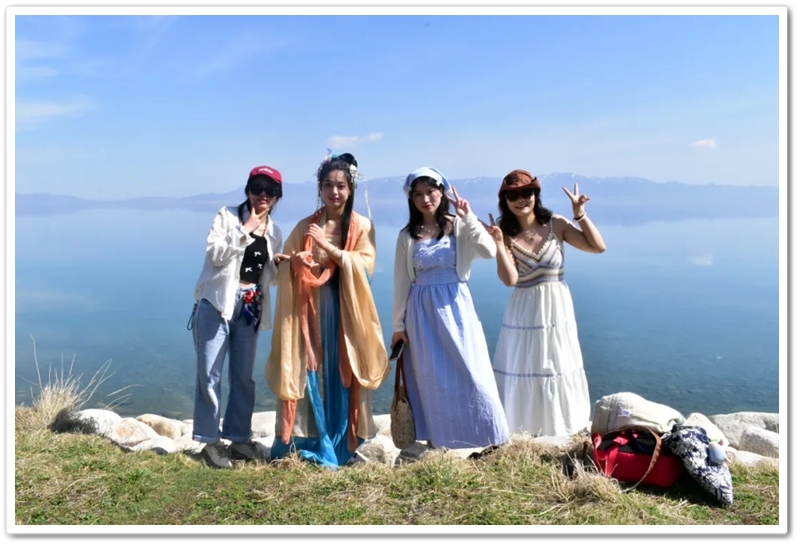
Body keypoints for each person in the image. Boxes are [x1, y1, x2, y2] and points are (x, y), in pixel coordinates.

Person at [266, 152, 390, 468]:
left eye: (341, 186)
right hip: (309, 314)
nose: (334, 192)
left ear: (350, 189)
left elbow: (365, 267)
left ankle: (343, 444)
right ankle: (306, 439)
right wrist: (293, 262)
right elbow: (283, 259)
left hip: (345, 312)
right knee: (311, 371)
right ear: (320, 188)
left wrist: (329, 247)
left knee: (342, 372)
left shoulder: (362, 226)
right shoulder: (306, 226)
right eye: (328, 185)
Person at [391, 167, 509, 450]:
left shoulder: (458, 225)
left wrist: (468, 216)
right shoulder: (407, 235)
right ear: (411, 199)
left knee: (472, 372)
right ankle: (438, 441)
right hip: (421, 312)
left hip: (456, 307)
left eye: (430, 192)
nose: (425, 199)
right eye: (418, 194)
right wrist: (398, 326)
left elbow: (488, 251)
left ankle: (489, 436)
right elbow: (401, 281)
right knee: (431, 378)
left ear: (442, 192)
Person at [485, 169, 607, 437]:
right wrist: (498, 244)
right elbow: (510, 279)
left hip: (556, 308)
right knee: (524, 364)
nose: (521, 199)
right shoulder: (504, 233)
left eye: (526, 193)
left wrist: (580, 215)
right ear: (504, 201)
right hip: (524, 310)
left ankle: (560, 427)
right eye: (513, 195)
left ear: (535, 195)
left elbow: (598, 247)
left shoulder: (556, 224)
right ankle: (520, 429)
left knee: (557, 363)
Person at [191, 165, 284, 469]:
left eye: (270, 190)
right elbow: (215, 255)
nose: (263, 195)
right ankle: (209, 441)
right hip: (216, 304)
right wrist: (245, 229)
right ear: (248, 189)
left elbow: (269, 278)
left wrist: (281, 264)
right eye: (257, 188)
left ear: (277, 196)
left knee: (243, 376)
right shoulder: (227, 216)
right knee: (210, 374)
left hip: (250, 305)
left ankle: (239, 437)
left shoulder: (274, 232)